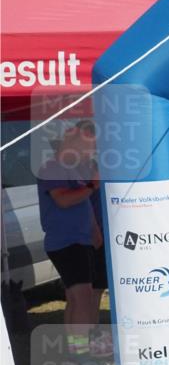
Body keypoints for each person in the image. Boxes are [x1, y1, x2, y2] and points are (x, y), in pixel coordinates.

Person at [36, 122, 107, 335]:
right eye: (87, 146)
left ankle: (76, 351)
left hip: (80, 241)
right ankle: (80, 354)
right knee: (83, 297)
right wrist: (93, 185)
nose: (90, 152)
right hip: (67, 242)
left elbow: (84, 206)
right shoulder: (51, 167)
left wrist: (94, 231)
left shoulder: (72, 170)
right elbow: (63, 200)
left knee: (78, 298)